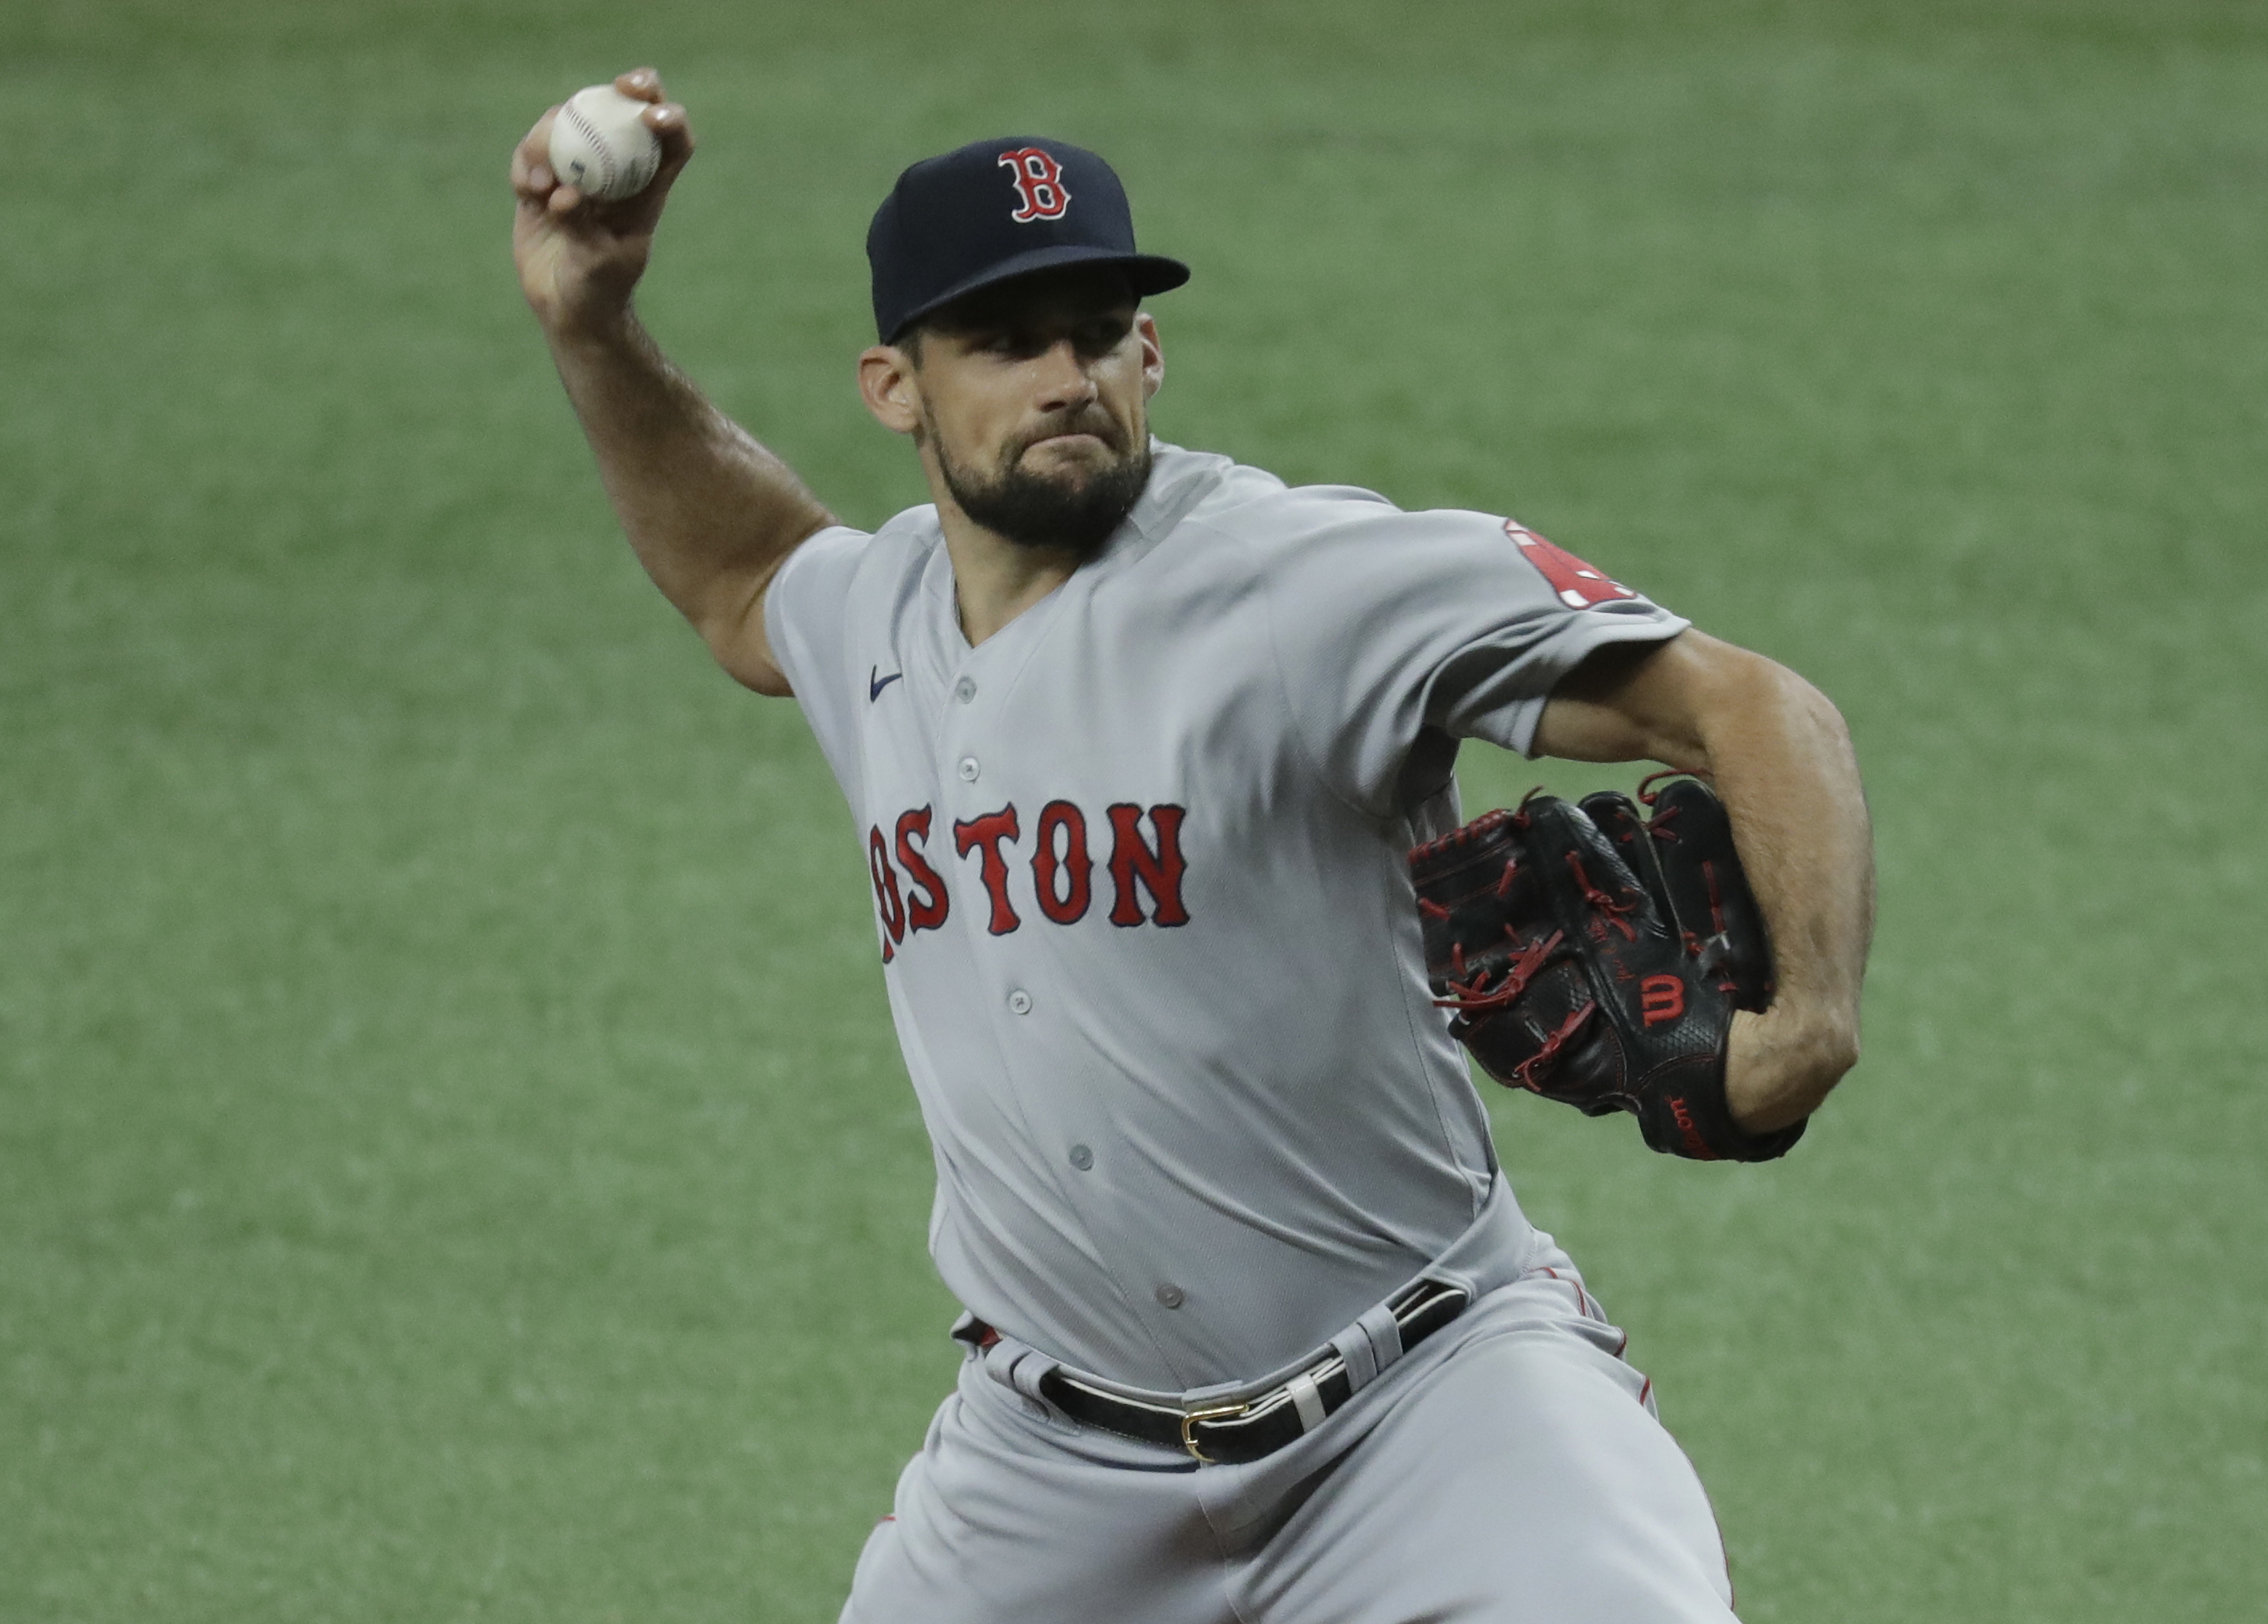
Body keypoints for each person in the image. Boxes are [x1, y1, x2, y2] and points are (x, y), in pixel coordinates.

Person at [511, 68, 1873, 1624]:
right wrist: (592, 324)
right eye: (1006, 342)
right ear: (896, 386)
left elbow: (1751, 705)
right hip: (1050, 1470)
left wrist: (1807, 1025)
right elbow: (742, 576)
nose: (1065, 376)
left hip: (1428, 1406)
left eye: (1097, 331)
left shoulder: (1311, 585)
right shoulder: (872, 617)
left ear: (1151, 351)